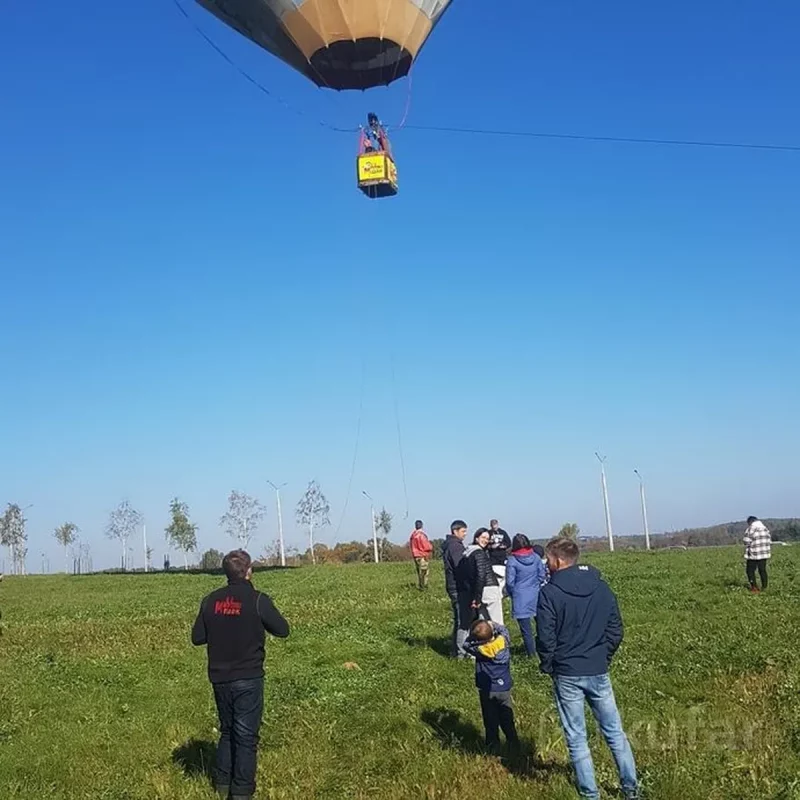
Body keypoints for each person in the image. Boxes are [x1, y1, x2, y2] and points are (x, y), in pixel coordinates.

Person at [536, 537, 638, 800]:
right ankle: (631, 790)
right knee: (614, 732)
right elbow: (615, 630)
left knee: (577, 737)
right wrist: (603, 656)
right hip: (597, 669)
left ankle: (590, 794)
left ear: (559, 560)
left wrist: (549, 665)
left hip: (567, 672)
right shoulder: (601, 587)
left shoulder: (549, 593)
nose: (546, 564)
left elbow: (545, 638)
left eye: (548, 559)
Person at [191, 550, 290, 800]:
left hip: (219, 678)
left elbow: (197, 637)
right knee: (246, 736)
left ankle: (222, 784)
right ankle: (241, 791)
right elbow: (283, 630)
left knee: (227, 730)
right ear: (248, 571)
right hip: (248, 677)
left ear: (226, 573)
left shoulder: (210, 600)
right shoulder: (258, 600)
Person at [464, 619, 519, 751]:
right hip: (504, 688)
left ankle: (492, 745)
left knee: (490, 719)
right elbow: (504, 630)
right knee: (506, 716)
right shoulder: (503, 641)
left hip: (487, 689)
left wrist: (473, 636)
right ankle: (513, 742)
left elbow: (465, 645)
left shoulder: (480, 650)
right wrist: (493, 624)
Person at [505, 533, 547, 656]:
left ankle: (531, 654)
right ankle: (545, 649)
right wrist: (534, 585)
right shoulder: (536, 557)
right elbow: (542, 576)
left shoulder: (512, 560)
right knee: (542, 626)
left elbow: (510, 582)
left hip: (520, 596)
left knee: (526, 630)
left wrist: (513, 593)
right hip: (536, 594)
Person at [462, 528, 503, 626]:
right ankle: (502, 636)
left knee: (485, 623)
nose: (485, 540)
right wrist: (478, 596)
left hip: (480, 590)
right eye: (483, 537)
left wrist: (476, 596)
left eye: (487, 539)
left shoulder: (469, 552)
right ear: (476, 538)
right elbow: (481, 575)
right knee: (497, 623)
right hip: (489, 589)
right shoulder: (479, 553)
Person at [443, 520, 469, 659]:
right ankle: (461, 653)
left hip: (453, 585)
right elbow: (461, 567)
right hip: (458, 586)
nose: (465, 534)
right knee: (462, 620)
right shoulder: (455, 547)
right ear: (455, 531)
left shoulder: (451, 544)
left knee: (459, 618)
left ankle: (455, 650)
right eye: (463, 531)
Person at [743, 515, 771, 593]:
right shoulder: (765, 528)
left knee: (750, 570)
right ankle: (764, 587)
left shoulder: (751, 528)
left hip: (754, 553)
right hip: (764, 553)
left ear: (750, 522)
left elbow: (746, 541)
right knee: (762, 570)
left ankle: (754, 587)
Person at [487, 519, 512, 595]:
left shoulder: (503, 532)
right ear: (490, 525)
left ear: (497, 524)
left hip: (502, 556)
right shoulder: (488, 533)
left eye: (495, 525)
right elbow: (485, 544)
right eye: (492, 525)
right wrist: (491, 547)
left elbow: (509, 543)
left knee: (503, 574)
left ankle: (503, 591)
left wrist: (503, 546)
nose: (494, 526)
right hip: (493, 557)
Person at [409, 519, 433, 591]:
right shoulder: (421, 535)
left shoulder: (413, 536)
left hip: (416, 555)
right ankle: (423, 586)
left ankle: (421, 585)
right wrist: (431, 547)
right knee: (424, 572)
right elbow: (426, 546)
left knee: (419, 571)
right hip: (422, 555)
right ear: (422, 526)